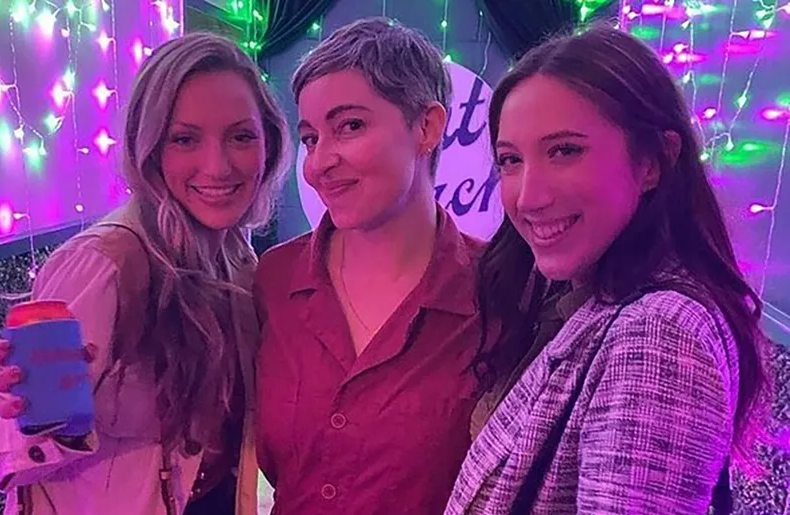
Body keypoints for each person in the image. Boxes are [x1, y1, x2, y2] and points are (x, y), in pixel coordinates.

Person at [446, 25, 769, 514]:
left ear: (654, 162)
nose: (529, 196)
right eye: (510, 160)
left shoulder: (658, 333)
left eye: (565, 151)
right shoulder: (588, 299)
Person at [0, 32, 289, 515]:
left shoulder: (238, 259)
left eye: (241, 136)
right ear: (151, 148)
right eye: (185, 139)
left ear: (269, 143)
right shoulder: (104, 264)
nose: (217, 165)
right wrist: (44, 424)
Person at [254, 17, 487, 515]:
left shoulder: (498, 289)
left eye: (350, 126)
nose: (317, 164)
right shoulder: (273, 280)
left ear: (426, 127)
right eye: (312, 138)